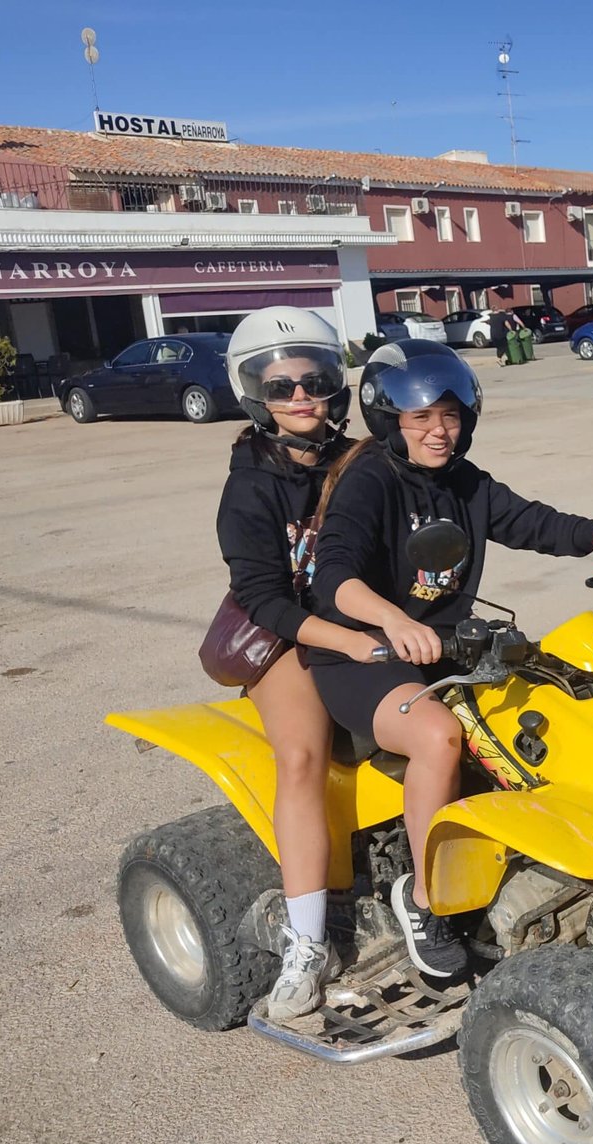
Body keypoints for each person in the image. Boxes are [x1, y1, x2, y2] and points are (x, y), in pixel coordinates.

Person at [307, 340, 593, 975]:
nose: (439, 431)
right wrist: (393, 619)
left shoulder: (464, 483)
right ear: (389, 420)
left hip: (446, 649)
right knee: (440, 736)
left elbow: (531, 520)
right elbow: (332, 576)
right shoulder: (370, 480)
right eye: (420, 418)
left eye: (449, 416)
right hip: (362, 655)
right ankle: (423, 897)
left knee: (556, 706)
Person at [217, 306, 386, 1019]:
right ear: (253, 392)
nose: (301, 396)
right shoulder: (250, 486)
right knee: (303, 759)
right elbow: (262, 594)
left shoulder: (368, 461)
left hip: (367, 616)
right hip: (288, 633)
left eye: (314, 380)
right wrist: (340, 638)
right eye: (280, 385)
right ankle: (307, 943)